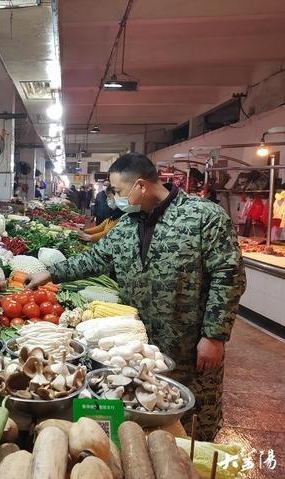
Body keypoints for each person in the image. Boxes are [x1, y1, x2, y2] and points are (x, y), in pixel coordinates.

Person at [27, 152, 246, 441]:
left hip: (189, 341)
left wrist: (215, 336)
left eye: (117, 191)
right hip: (139, 344)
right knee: (145, 410)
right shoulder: (127, 225)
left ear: (140, 186)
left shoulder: (203, 217)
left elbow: (228, 276)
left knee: (192, 419)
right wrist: (51, 273)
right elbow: (96, 258)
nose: (114, 198)